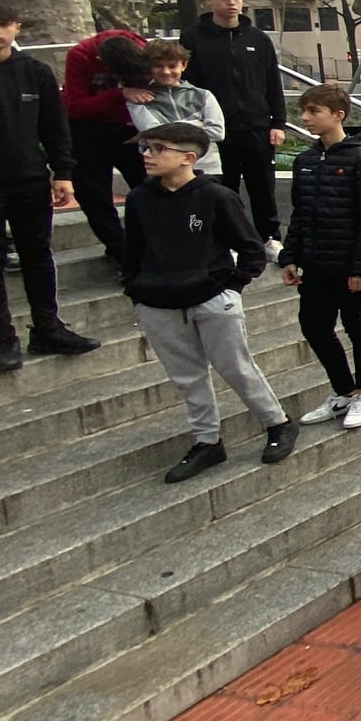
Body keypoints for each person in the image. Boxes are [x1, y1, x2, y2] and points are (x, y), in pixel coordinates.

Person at [121, 122, 299, 483]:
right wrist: (137, 290)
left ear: (188, 158)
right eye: (146, 148)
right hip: (158, 303)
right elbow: (132, 251)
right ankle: (207, 442)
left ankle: (277, 423)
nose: (147, 155)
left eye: (157, 149)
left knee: (236, 367)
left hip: (213, 299)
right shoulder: (140, 198)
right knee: (187, 377)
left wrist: (231, 290)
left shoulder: (216, 197)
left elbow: (251, 248)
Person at [0, 0, 99, 372]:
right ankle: (1, 338)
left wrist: (63, 172)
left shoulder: (35, 71)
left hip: (31, 177)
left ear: (16, 27)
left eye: (3, 22)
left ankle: (47, 327)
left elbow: (55, 126)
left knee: (38, 254)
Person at [279, 84, 361, 431]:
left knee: (358, 325)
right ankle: (341, 389)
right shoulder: (306, 161)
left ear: (338, 115)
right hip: (315, 265)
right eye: (305, 111)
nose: (306, 118)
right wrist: (290, 256)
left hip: (349, 267)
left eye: (314, 111)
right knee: (314, 326)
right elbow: (300, 214)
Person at [184, 0, 288, 261]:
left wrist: (278, 122)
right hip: (216, 130)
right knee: (223, 188)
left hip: (256, 127)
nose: (231, 4)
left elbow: (272, 84)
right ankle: (229, 239)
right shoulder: (193, 38)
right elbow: (188, 84)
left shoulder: (258, 39)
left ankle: (269, 238)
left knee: (262, 187)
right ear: (209, 0)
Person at [62, 27, 151, 268]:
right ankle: (120, 252)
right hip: (89, 131)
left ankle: (153, 245)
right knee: (94, 195)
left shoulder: (145, 50)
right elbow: (75, 105)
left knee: (150, 187)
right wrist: (120, 94)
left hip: (134, 128)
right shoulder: (81, 55)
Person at [128, 40, 226, 177]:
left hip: (207, 169)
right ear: (149, 67)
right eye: (158, 66)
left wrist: (168, 131)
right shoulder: (139, 99)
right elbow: (153, 133)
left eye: (172, 66)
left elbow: (218, 132)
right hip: (164, 172)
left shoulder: (203, 95)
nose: (166, 72)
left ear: (184, 65)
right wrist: (197, 125)